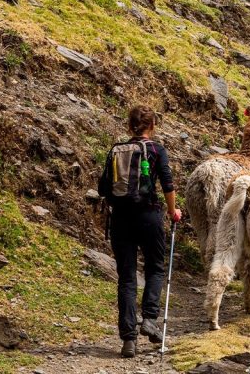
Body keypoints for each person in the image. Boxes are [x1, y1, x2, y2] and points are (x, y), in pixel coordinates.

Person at [97, 105, 182, 358]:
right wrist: (173, 210)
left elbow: (103, 187)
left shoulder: (116, 150)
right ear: (152, 126)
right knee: (155, 267)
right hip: (149, 216)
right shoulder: (156, 149)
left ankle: (128, 340)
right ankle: (149, 319)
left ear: (129, 126)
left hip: (121, 219)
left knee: (127, 277)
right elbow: (167, 183)